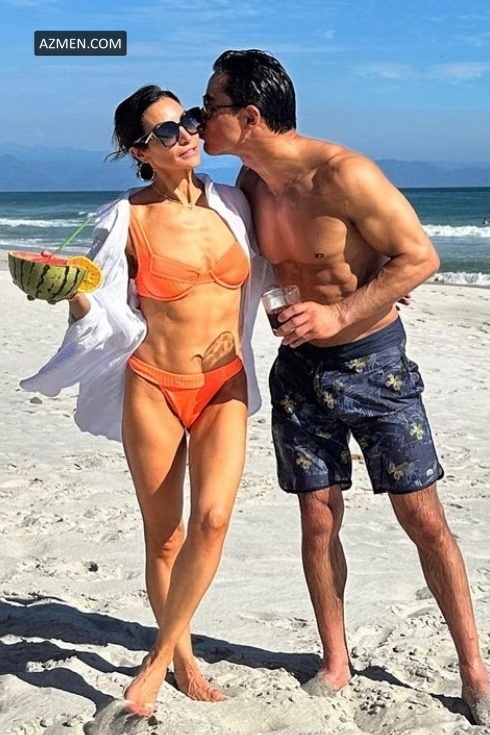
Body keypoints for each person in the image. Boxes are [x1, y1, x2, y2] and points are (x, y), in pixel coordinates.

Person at [200, 49, 490, 725]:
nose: (199, 116)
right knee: (318, 516)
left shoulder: (344, 174)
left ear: (249, 116)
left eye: (209, 106)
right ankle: (336, 661)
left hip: (375, 364)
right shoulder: (250, 179)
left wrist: (343, 310)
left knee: (423, 519)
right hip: (299, 370)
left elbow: (420, 255)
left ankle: (475, 668)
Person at [20, 84, 272, 718]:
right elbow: (102, 311)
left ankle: (154, 664)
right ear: (140, 150)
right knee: (165, 536)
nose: (185, 135)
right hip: (155, 385)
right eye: (165, 131)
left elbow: (284, 262)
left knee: (212, 520)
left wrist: (354, 282)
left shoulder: (235, 204)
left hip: (224, 383)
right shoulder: (123, 218)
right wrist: (68, 291)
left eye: (188, 121)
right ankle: (182, 657)